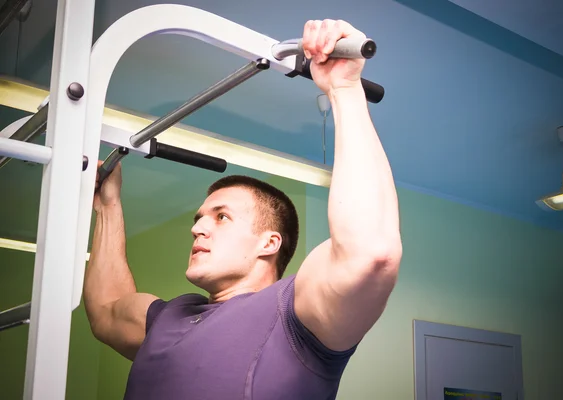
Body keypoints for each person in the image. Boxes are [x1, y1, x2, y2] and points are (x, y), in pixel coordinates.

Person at [83, 18, 402, 400]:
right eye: (199, 218)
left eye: (221, 217)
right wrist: (108, 205)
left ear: (269, 242)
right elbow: (105, 310)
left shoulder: (296, 313)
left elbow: (370, 253)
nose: (198, 228)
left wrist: (344, 88)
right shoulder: (168, 317)